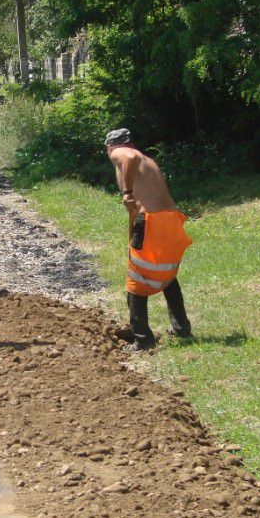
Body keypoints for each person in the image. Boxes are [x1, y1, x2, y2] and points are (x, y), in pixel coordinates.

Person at [105, 128, 193, 351]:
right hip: (171, 219)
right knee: (167, 274)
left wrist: (127, 192)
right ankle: (182, 329)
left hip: (152, 221)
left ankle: (143, 339)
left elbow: (129, 157)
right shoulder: (148, 161)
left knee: (136, 277)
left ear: (109, 147)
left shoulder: (121, 152)